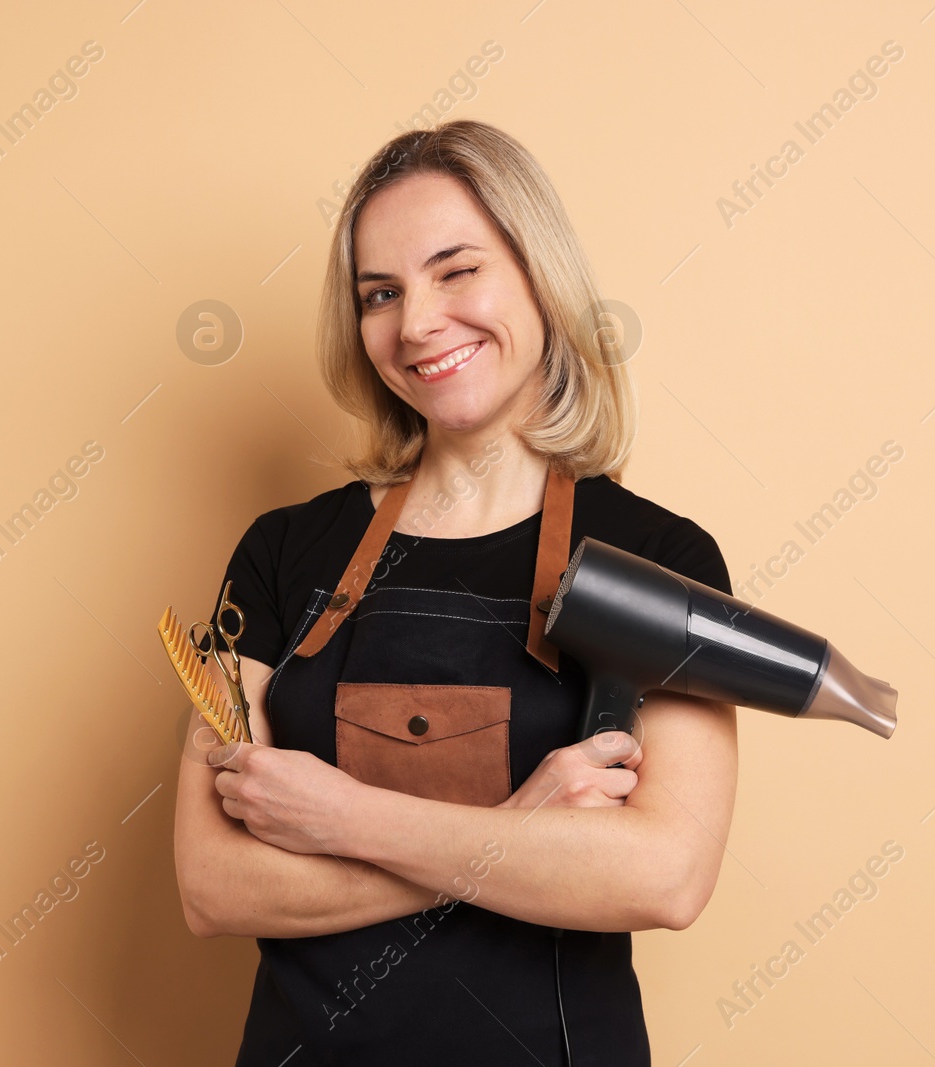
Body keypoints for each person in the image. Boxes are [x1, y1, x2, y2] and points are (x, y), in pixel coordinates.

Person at [174, 119, 738, 1067]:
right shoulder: (279, 553)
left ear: (538, 274)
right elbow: (213, 885)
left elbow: (665, 875)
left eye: (456, 270)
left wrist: (342, 818)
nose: (418, 323)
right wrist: (520, 832)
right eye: (381, 294)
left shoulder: (658, 559)